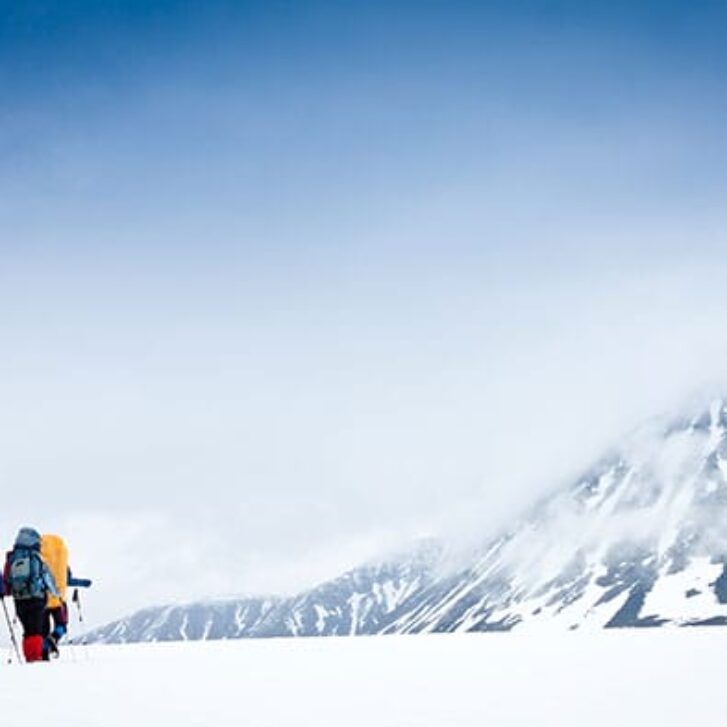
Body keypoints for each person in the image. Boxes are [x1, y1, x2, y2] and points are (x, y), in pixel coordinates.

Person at [3, 527, 59, 662]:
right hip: (36, 598)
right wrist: (55, 593)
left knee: (27, 631)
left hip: (19, 599)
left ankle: (30, 657)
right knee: (37, 630)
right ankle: (36, 658)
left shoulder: (11, 558)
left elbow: (6, 579)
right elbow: (46, 576)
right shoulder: (35, 556)